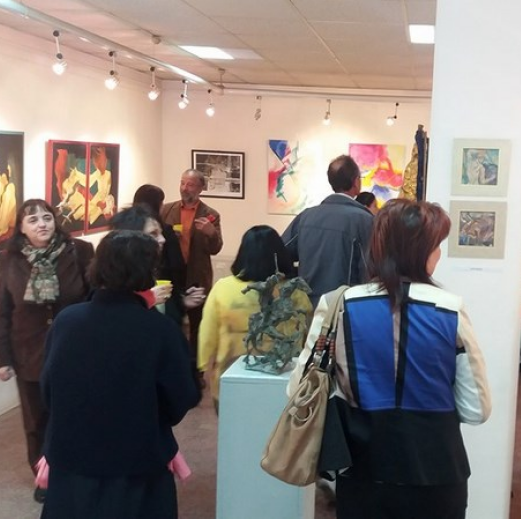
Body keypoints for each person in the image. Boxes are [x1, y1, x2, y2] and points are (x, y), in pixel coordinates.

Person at [288, 199, 491, 519]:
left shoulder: (339, 305)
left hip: (362, 469)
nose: (439, 255)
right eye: (436, 246)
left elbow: (298, 390)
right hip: (437, 471)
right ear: (421, 252)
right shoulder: (450, 309)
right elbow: (476, 409)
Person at [39, 231, 200, 519]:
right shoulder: (159, 329)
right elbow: (181, 397)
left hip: (72, 457)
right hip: (136, 460)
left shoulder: (67, 321)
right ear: (147, 272)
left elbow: (49, 390)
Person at [0, 199, 94, 503]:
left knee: (75, 415)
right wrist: (2, 358)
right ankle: (44, 478)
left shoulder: (80, 251)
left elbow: (94, 298)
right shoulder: (9, 258)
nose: (42, 224)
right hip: (29, 353)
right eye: (33, 220)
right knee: (36, 421)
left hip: (73, 350)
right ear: (21, 227)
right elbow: (1, 311)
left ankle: (76, 470)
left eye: (47, 217)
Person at [198, 225, 312, 411]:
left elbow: (208, 334)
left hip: (231, 374)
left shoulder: (223, 288)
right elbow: (308, 333)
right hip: (284, 378)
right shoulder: (294, 291)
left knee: (233, 425)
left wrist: (204, 365)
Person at [281, 154, 374, 308]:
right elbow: (370, 272)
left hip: (307, 307)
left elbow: (280, 254)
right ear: (356, 181)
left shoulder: (306, 217)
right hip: (344, 308)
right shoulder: (365, 221)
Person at [160, 169, 224, 379]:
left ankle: (195, 372)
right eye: (182, 183)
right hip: (172, 275)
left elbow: (216, 248)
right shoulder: (166, 210)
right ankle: (172, 369)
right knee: (171, 322)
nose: (185, 188)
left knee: (198, 326)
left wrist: (211, 233)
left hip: (197, 276)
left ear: (201, 188)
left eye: (190, 185)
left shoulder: (211, 214)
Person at [110, 205, 207, 330]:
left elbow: (167, 315)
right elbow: (116, 320)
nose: (163, 239)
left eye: (161, 233)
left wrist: (183, 302)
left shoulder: (156, 268)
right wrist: (148, 300)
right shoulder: (114, 277)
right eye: (153, 234)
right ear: (132, 238)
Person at [133, 184, 186, 291]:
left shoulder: (126, 227)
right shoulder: (165, 230)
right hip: (160, 287)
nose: (162, 239)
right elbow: (176, 266)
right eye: (154, 233)